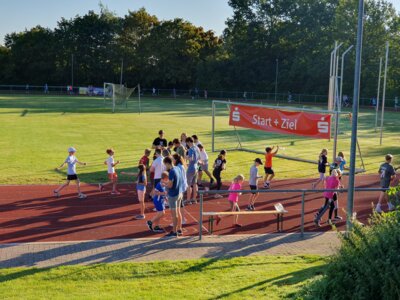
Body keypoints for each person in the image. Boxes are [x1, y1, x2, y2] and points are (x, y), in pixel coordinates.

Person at [163, 156, 185, 237]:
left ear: (167, 163)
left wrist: (165, 184)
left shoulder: (172, 171)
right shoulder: (178, 168)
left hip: (173, 195)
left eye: (165, 164)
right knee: (178, 212)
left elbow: (171, 185)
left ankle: (174, 231)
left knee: (174, 214)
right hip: (179, 193)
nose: (165, 166)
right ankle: (179, 229)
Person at [186, 137, 200, 204]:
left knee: (188, 184)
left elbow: (191, 159)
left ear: (189, 142)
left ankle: (188, 200)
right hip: (196, 167)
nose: (187, 144)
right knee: (194, 184)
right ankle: (194, 198)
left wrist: (185, 157)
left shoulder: (191, 149)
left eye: (187, 143)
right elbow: (199, 157)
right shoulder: (197, 148)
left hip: (191, 167)